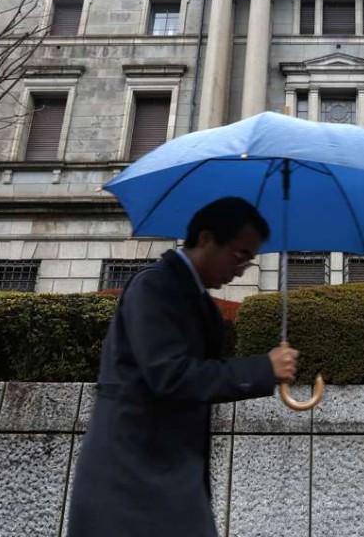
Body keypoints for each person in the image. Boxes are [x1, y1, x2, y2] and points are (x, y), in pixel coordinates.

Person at [67, 196, 298, 537]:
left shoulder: (193, 297)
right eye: (239, 256)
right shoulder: (154, 287)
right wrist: (263, 369)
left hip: (166, 476)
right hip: (131, 479)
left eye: (248, 261)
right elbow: (171, 376)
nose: (240, 270)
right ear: (205, 239)